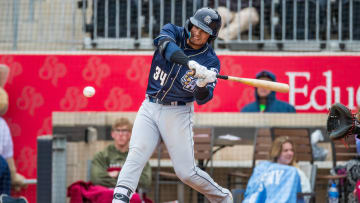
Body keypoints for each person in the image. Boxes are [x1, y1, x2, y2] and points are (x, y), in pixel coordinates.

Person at [112, 7, 233, 203]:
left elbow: (203, 98)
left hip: (178, 112)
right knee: (137, 153)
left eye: (204, 31)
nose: (197, 32)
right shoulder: (173, 32)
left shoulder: (210, 61)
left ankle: (222, 197)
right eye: (196, 26)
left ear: (211, 36)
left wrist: (202, 84)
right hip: (150, 105)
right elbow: (165, 46)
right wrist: (189, 64)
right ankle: (119, 199)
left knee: (186, 172)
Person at [90, 117, 151, 190]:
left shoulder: (138, 156)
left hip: (131, 196)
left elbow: (145, 181)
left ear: (130, 134)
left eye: (124, 131)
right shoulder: (102, 156)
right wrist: (127, 183)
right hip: (107, 195)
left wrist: (117, 174)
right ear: (112, 134)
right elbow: (97, 179)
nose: (121, 134)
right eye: (118, 130)